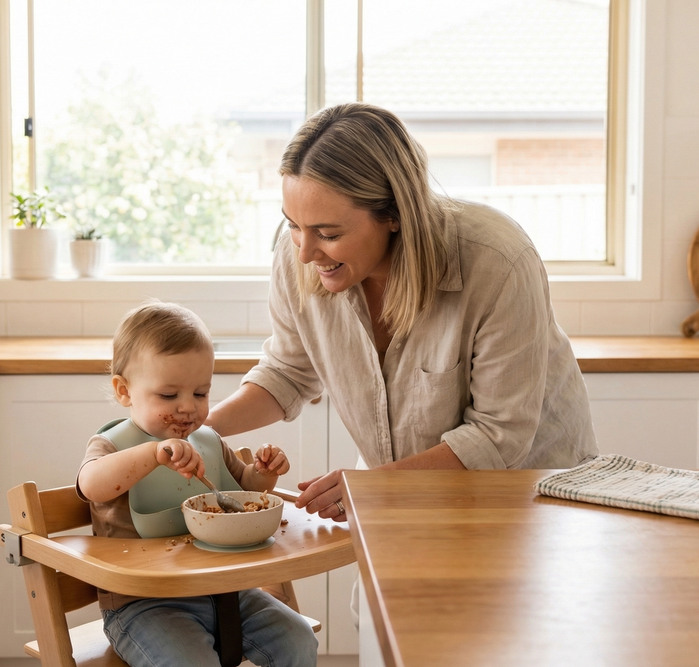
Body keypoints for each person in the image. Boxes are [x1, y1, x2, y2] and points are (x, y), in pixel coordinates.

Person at [206, 101, 599, 521]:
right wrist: (200, 431)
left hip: (530, 497)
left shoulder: (498, 262)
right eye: (293, 225)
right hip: (394, 491)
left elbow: (497, 436)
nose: (304, 253)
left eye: (329, 234)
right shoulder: (298, 254)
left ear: (393, 214)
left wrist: (376, 487)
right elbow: (288, 373)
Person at [75, 301, 317, 667]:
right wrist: (153, 453)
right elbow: (91, 485)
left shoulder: (208, 440)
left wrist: (265, 473)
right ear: (124, 391)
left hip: (226, 590)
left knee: (297, 639)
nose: (188, 407)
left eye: (200, 393)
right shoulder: (112, 446)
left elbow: (244, 490)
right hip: (145, 605)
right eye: (169, 395)